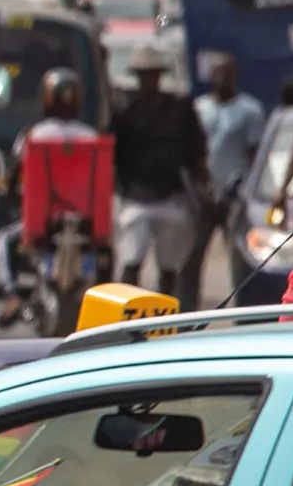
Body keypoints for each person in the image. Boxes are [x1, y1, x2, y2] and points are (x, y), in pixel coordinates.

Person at [113, 47, 211, 307]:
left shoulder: (180, 110)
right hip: (137, 196)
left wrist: (204, 184)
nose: (149, 80)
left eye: (153, 74)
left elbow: (197, 151)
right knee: (130, 262)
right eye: (144, 75)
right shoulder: (126, 113)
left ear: (160, 75)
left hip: (172, 195)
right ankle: (127, 314)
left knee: (169, 268)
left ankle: (164, 316)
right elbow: (115, 155)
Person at [195, 52, 265, 294]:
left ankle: (243, 307)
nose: (221, 78)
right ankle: (186, 314)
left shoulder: (250, 110)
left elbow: (255, 156)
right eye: (217, 72)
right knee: (191, 257)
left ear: (235, 75)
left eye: (227, 72)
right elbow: (195, 152)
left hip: (236, 196)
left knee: (240, 259)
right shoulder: (200, 108)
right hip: (204, 196)